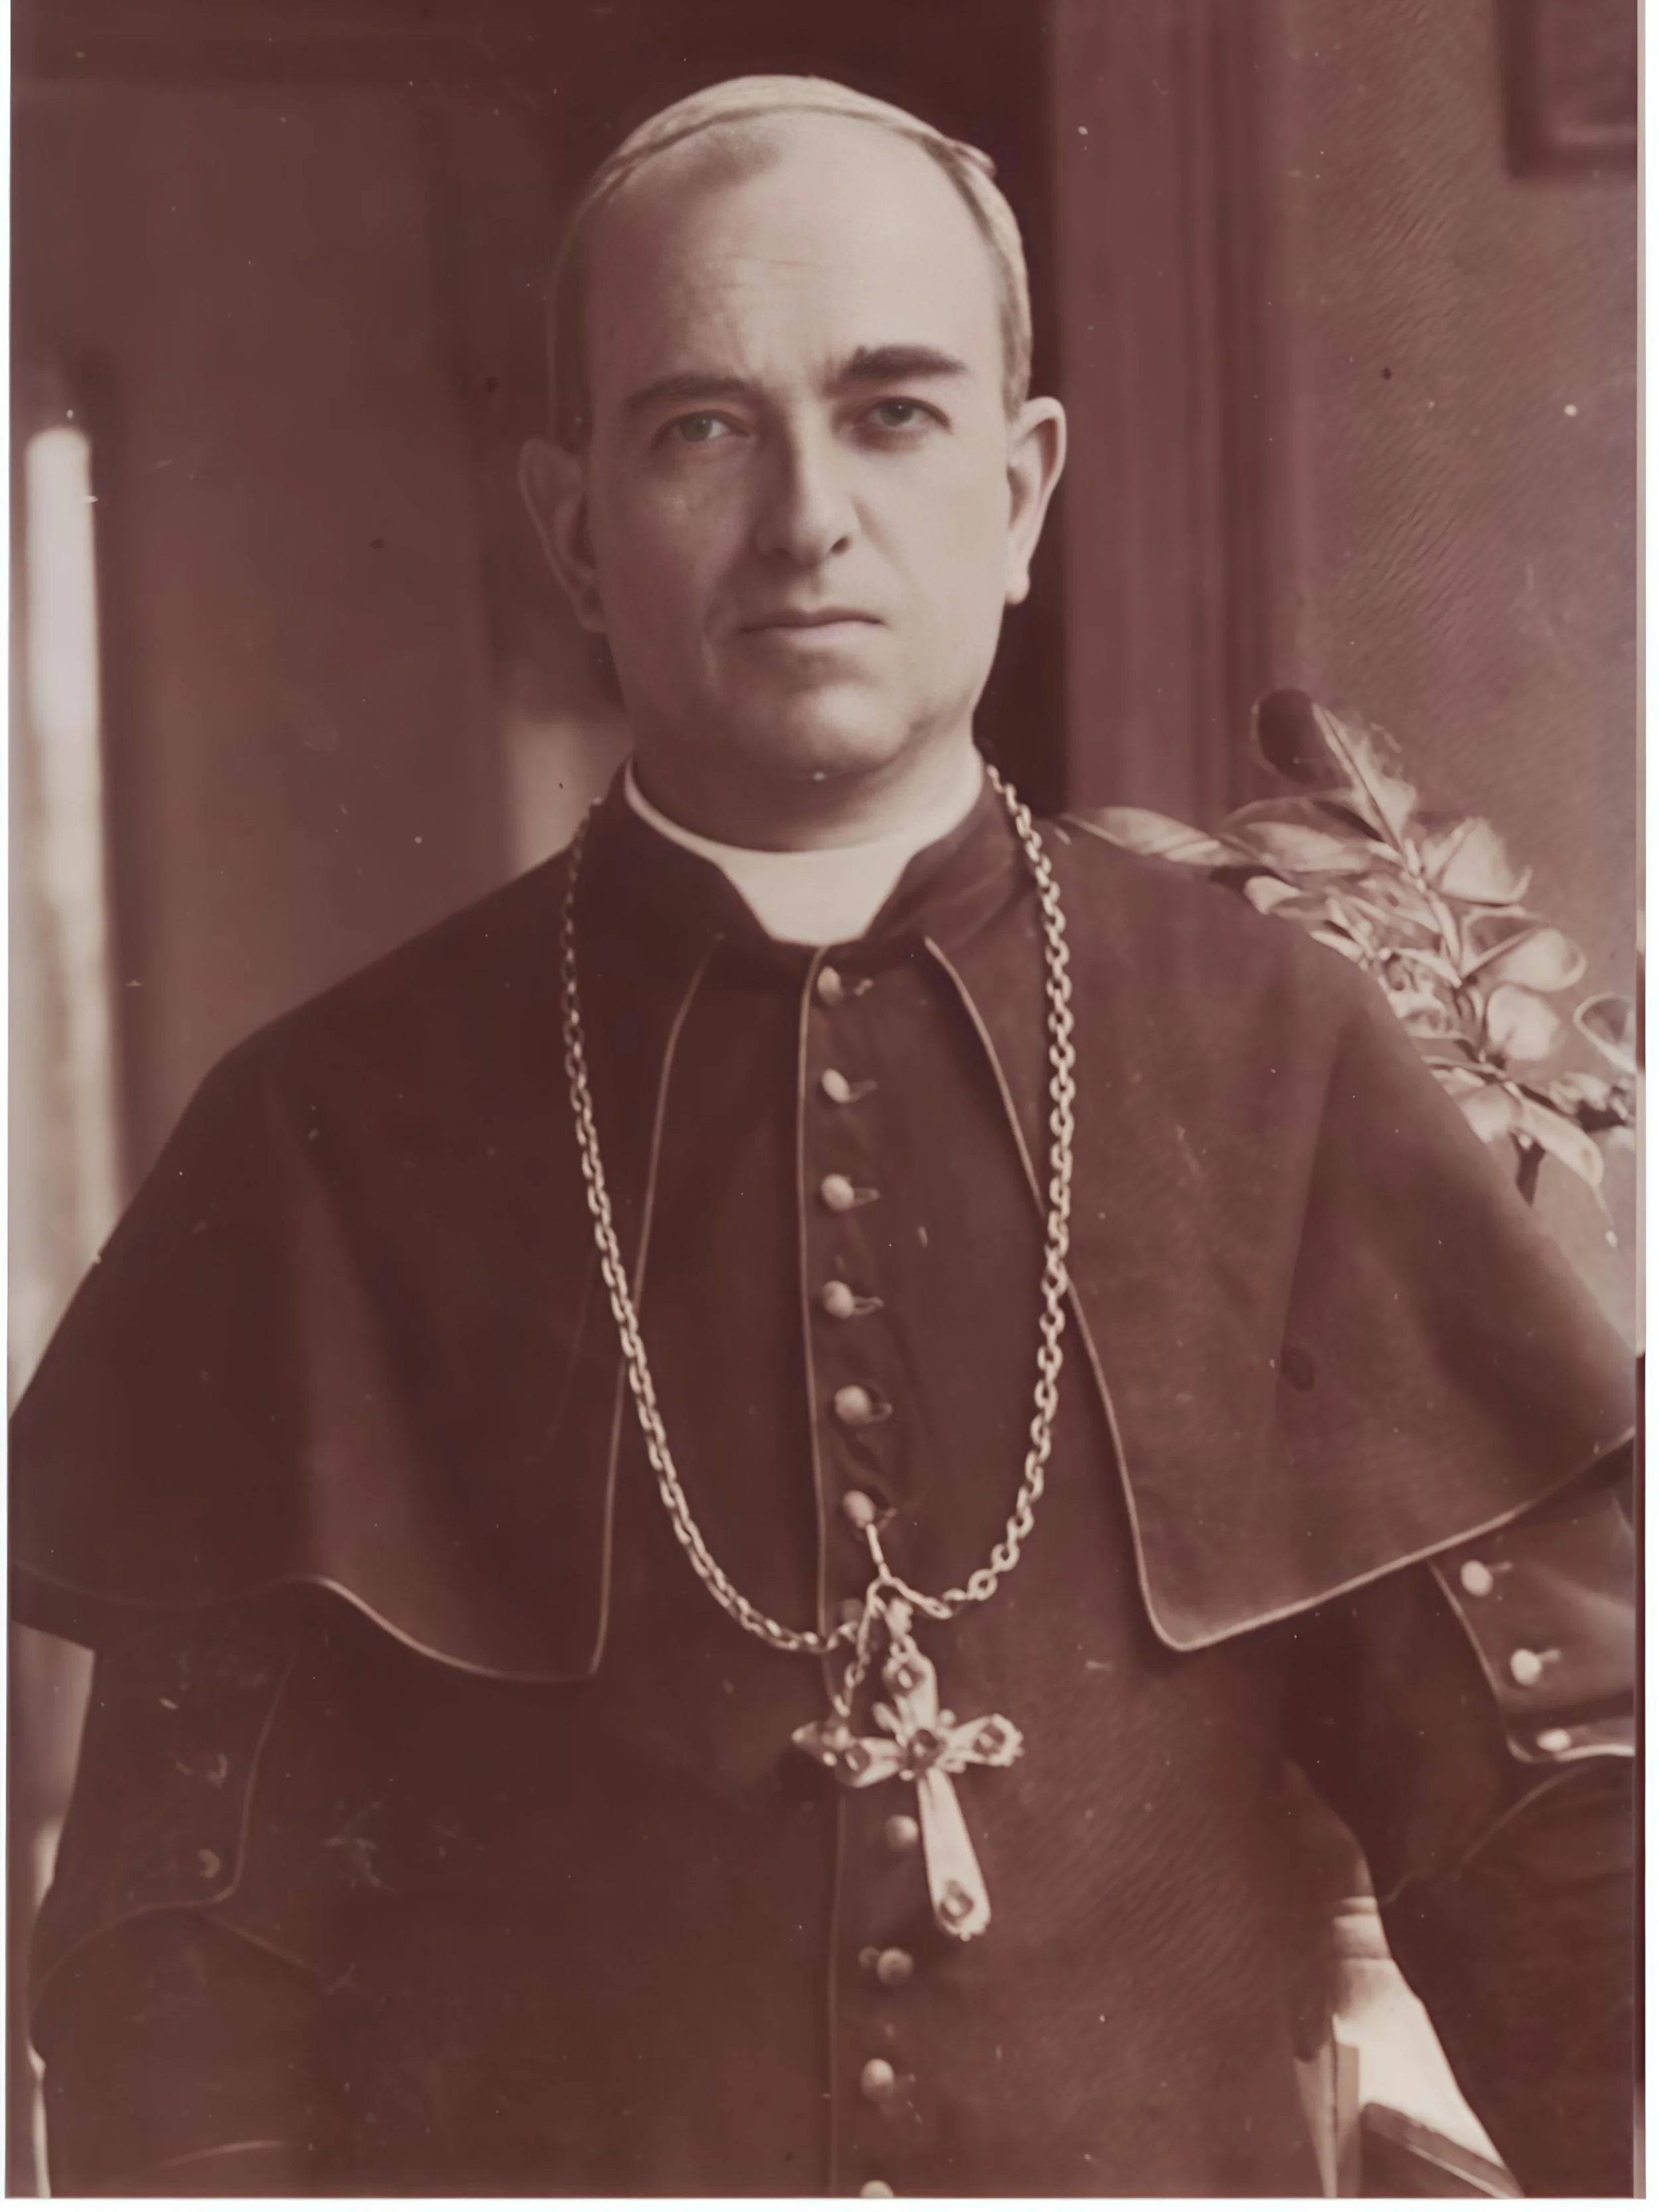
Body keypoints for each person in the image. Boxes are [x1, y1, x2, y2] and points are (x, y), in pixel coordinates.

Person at [12, 76, 1635, 2197]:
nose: (806, 521)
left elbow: (1568, 1869)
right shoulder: (329, 1133)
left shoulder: (1273, 1058)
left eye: (891, 412)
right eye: (700, 425)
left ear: (1023, 484)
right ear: (575, 525)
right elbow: (176, 1985)